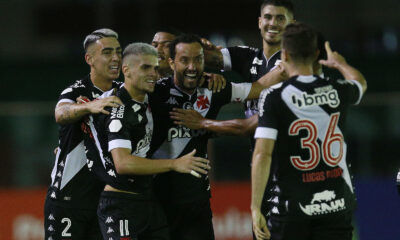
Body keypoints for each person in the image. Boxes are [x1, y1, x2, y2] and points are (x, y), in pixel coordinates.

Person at [148, 33, 273, 240]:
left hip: (197, 205)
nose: (192, 66)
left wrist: (289, 68)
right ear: (172, 63)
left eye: (198, 59)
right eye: (185, 60)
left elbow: (257, 89)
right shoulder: (152, 93)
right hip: (156, 202)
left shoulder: (214, 89)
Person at [251, 23, 367, 240]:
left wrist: (255, 207)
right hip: (337, 205)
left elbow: (262, 153)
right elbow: (360, 83)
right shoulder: (338, 89)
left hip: (292, 209)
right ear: (315, 54)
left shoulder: (274, 96)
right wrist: (340, 64)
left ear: (284, 54)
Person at [83, 42, 210, 240]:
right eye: (145, 67)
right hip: (121, 204)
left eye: (155, 68)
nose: (153, 73)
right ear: (127, 70)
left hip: (148, 201)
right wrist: (175, 164)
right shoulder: (119, 109)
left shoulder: (147, 100)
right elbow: (123, 163)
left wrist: (208, 77)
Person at [43, 28, 123, 240]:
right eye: (107, 52)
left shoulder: (124, 93)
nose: (115, 58)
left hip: (105, 202)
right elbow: (60, 113)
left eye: (118, 51)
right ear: (90, 59)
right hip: (67, 201)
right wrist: (89, 107)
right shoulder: (76, 91)